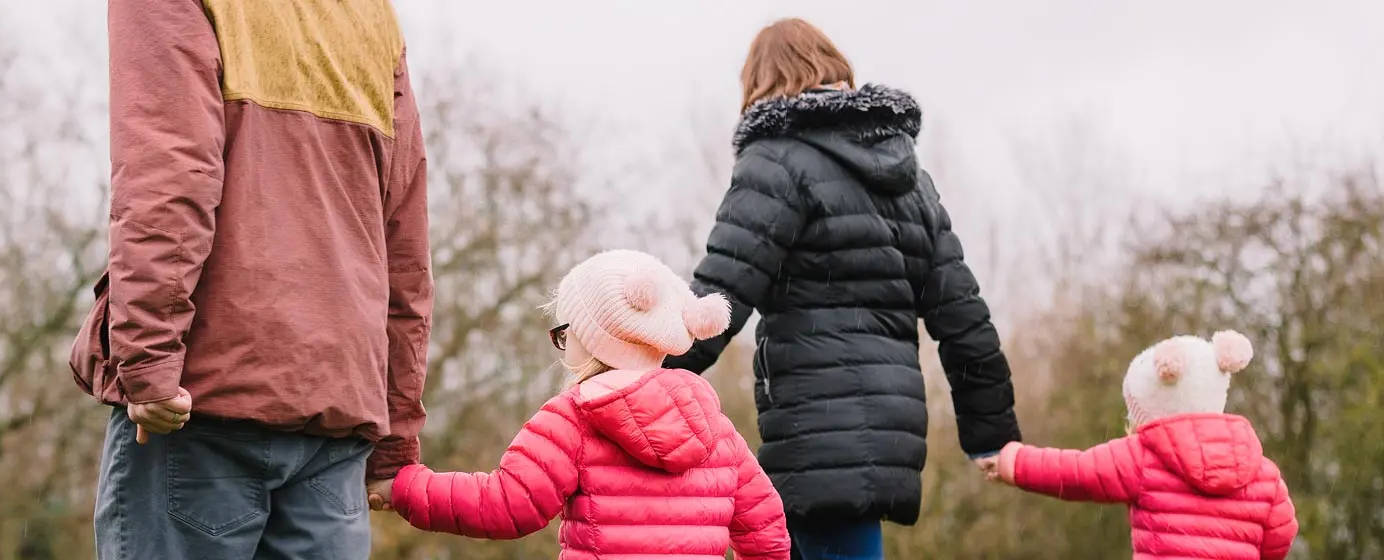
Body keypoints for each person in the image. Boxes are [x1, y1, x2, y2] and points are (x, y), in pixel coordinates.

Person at [67, 0, 432, 558]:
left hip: (202, 402)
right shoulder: (368, 14)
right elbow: (404, 237)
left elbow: (169, 173)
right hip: (337, 407)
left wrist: (147, 359)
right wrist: (395, 435)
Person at [660, 18, 1022, 559]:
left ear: (760, 83)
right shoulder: (911, 181)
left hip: (816, 434)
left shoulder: (776, 159)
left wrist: (640, 380)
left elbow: (722, 293)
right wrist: (992, 435)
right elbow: (962, 317)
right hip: (880, 436)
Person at [373, 250, 792, 560]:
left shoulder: (573, 418)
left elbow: (504, 505)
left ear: (590, 338)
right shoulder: (714, 427)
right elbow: (767, 532)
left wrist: (404, 487)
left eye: (565, 331)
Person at [992, 331, 1298, 559]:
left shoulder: (1144, 457)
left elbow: (1075, 473)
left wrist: (1014, 462)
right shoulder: (1264, 474)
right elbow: (1280, 536)